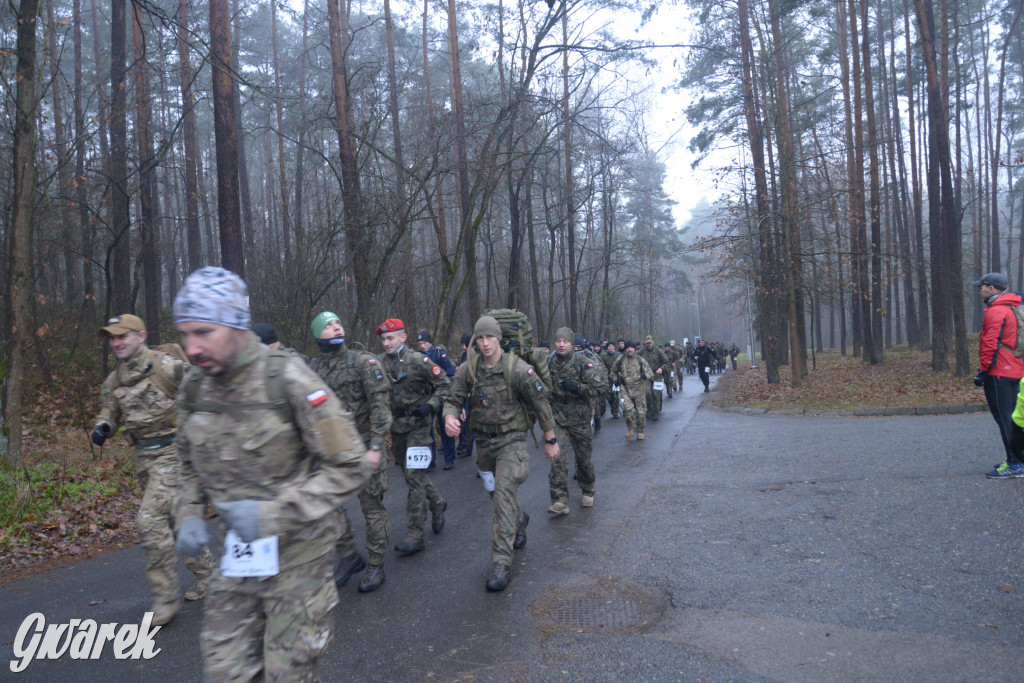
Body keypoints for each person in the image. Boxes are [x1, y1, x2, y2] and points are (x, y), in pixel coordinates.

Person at [172, 267, 370, 680]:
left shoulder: (288, 379)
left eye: (203, 332)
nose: (191, 347)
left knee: (287, 673)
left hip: (299, 556)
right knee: (225, 672)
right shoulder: (194, 388)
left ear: (236, 326)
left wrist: (272, 515)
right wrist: (188, 512)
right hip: (239, 558)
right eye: (185, 333)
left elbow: (350, 465)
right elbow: (187, 461)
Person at [92, 314, 213, 626]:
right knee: (175, 521)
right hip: (144, 459)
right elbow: (109, 410)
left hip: (176, 454)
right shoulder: (114, 381)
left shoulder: (168, 367)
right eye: (112, 338)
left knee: (148, 521)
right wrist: (103, 426)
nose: (117, 342)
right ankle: (209, 575)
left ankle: (165, 599)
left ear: (141, 336)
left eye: (123, 336)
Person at [443, 316, 559, 591]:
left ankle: (501, 563)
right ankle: (520, 519)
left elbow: (541, 404)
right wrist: (449, 417)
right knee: (496, 495)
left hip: (513, 441)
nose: (485, 344)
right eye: (480, 338)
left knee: (503, 497)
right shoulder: (468, 368)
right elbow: (452, 398)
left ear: (499, 339)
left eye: (490, 338)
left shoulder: (517, 369)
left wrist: (550, 439)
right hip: (483, 444)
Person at [309, 311, 393, 592]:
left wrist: (377, 447)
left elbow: (381, 407)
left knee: (372, 509)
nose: (335, 327)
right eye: (328, 325)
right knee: (327, 506)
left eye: (338, 323)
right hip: (333, 453)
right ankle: (348, 555)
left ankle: (376, 564)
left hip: (365, 447)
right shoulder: (314, 369)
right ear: (317, 334)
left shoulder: (363, 361)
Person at [376, 318, 449, 555]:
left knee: (415, 478)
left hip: (418, 424)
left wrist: (432, 405)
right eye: (383, 339)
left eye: (390, 338)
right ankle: (437, 503)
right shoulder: (378, 364)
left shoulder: (419, 361)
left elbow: (445, 384)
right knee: (410, 476)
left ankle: (414, 535)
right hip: (396, 427)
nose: (386, 343)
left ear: (403, 337)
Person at [970, 273, 1024, 478]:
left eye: (981, 287)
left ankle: (1015, 464)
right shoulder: (1012, 307)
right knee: (1015, 418)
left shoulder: (996, 311)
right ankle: (1017, 459)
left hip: (999, 371)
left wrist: (983, 372)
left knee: (1005, 419)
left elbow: (990, 344)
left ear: (991, 289)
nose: (979, 290)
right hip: (1015, 368)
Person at [547, 328, 604, 513]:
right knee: (557, 460)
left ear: (572, 344)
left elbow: (601, 388)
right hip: (558, 419)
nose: (561, 345)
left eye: (565, 341)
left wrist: (578, 388)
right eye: (558, 341)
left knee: (583, 459)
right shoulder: (549, 362)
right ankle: (560, 500)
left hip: (580, 420)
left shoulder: (583, 363)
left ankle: (588, 490)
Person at [417, 330, 458, 470]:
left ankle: (449, 458)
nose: (422, 346)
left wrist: (448, 393)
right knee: (427, 431)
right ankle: (430, 461)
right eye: (420, 344)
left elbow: (451, 374)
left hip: (441, 396)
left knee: (444, 427)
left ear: (430, 342)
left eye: (424, 343)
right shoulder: (418, 357)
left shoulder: (439, 354)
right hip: (426, 398)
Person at [611, 340, 653, 440]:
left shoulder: (640, 360)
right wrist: (616, 379)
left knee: (641, 412)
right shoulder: (620, 359)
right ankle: (631, 428)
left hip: (639, 389)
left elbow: (650, 373)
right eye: (627, 347)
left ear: (634, 349)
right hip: (625, 389)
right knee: (627, 410)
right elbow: (613, 372)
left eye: (631, 347)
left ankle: (640, 431)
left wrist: (645, 375)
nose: (629, 349)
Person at [638, 335, 668, 420]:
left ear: (653, 342)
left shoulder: (658, 351)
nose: (649, 344)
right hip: (646, 375)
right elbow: (637, 361)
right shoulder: (641, 351)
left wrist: (661, 368)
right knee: (647, 393)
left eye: (650, 343)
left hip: (656, 375)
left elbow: (666, 362)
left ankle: (656, 412)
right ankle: (650, 410)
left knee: (656, 394)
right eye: (647, 343)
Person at [456, 332, 475, 460]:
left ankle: (468, 447)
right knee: (464, 421)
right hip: (464, 394)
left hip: (473, 395)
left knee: (470, 424)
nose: (463, 347)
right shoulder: (464, 355)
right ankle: (464, 445)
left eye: (465, 344)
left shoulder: (475, 357)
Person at [602, 341, 621, 419]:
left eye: (612, 346)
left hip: (616, 378)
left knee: (616, 396)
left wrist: (620, 376)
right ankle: (612, 407)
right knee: (609, 396)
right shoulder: (604, 356)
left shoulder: (618, 356)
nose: (611, 348)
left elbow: (622, 366)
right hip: (607, 378)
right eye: (609, 346)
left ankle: (615, 412)